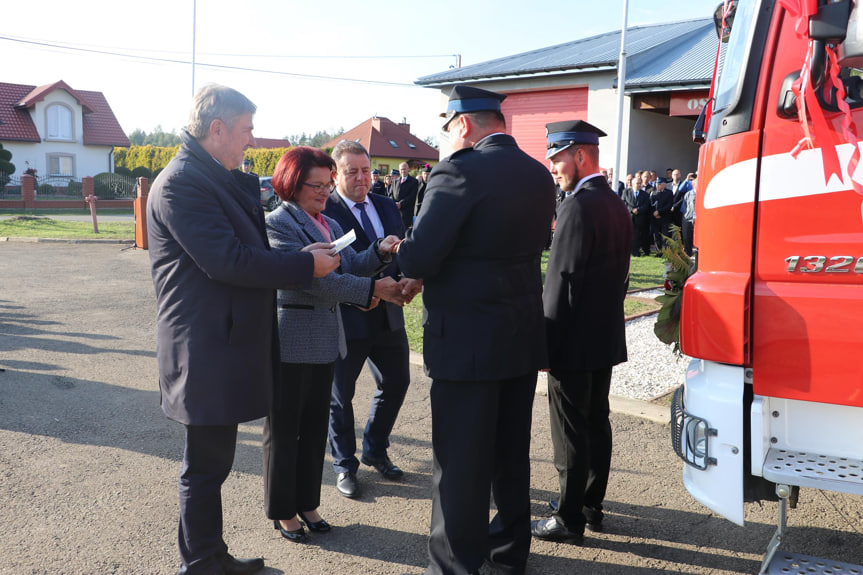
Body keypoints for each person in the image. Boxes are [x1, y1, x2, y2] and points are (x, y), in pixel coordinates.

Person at [147, 84, 340, 575]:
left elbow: (243, 247)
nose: (251, 141)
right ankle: (201, 563)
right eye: (246, 131)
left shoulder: (212, 176)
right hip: (204, 349)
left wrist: (297, 260)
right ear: (217, 129)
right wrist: (302, 266)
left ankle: (211, 555)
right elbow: (227, 260)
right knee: (205, 466)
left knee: (215, 464)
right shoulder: (182, 183)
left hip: (222, 345)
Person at [395, 85, 555, 575]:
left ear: (462, 124)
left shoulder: (456, 171)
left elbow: (420, 255)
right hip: (519, 337)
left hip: (466, 343)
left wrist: (395, 251)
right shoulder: (538, 174)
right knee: (510, 454)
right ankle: (508, 554)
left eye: (447, 129)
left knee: (460, 465)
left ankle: (455, 566)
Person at [262, 146, 406, 543]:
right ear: (292, 183)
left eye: (328, 184)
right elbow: (315, 280)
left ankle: (307, 503)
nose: (326, 192)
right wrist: (372, 289)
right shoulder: (279, 223)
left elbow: (341, 268)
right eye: (317, 185)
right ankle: (283, 511)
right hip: (292, 341)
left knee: (311, 431)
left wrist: (377, 253)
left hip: (325, 340)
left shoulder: (321, 222)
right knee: (285, 431)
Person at [532, 119, 632, 544]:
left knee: (571, 430)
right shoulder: (614, 202)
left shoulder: (576, 205)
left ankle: (569, 518)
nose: (553, 167)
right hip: (602, 333)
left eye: (557, 158)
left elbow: (561, 283)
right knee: (596, 423)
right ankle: (591, 504)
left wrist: (546, 346)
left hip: (572, 340)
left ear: (579, 155)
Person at [322, 140, 420, 499]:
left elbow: (400, 250)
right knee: (340, 396)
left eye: (366, 170)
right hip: (349, 317)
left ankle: (375, 448)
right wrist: (368, 290)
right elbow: (336, 268)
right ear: (335, 175)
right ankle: (345, 465)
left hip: (388, 315)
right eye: (352, 172)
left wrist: (411, 277)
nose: (363, 178)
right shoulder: (326, 212)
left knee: (397, 382)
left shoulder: (383, 204)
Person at [623, 171, 652, 256]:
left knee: (637, 235)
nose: (639, 185)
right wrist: (631, 209)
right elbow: (623, 202)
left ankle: (636, 251)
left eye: (640, 183)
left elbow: (646, 205)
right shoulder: (626, 192)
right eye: (637, 183)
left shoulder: (645, 194)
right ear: (632, 184)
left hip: (640, 218)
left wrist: (638, 210)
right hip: (629, 217)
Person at [389, 162, 419, 229]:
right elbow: (390, 194)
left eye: (405, 169)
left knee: (404, 231)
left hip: (406, 212)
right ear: (399, 170)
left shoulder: (413, 181)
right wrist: (394, 203)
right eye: (401, 169)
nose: (403, 171)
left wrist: (401, 204)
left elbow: (412, 196)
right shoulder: (395, 181)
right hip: (395, 210)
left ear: (408, 169)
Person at [651, 177, 674, 252]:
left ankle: (667, 251)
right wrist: (654, 213)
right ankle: (659, 251)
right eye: (657, 184)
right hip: (655, 218)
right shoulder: (653, 192)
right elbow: (651, 204)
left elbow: (669, 205)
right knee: (656, 235)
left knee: (665, 235)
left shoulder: (669, 193)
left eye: (659, 184)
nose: (657, 186)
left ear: (664, 185)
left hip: (665, 217)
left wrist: (659, 212)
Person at [682, 174, 697, 255]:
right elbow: (685, 206)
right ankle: (688, 254)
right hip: (689, 218)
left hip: (699, 220)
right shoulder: (688, 194)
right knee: (687, 238)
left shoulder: (702, 193)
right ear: (693, 184)